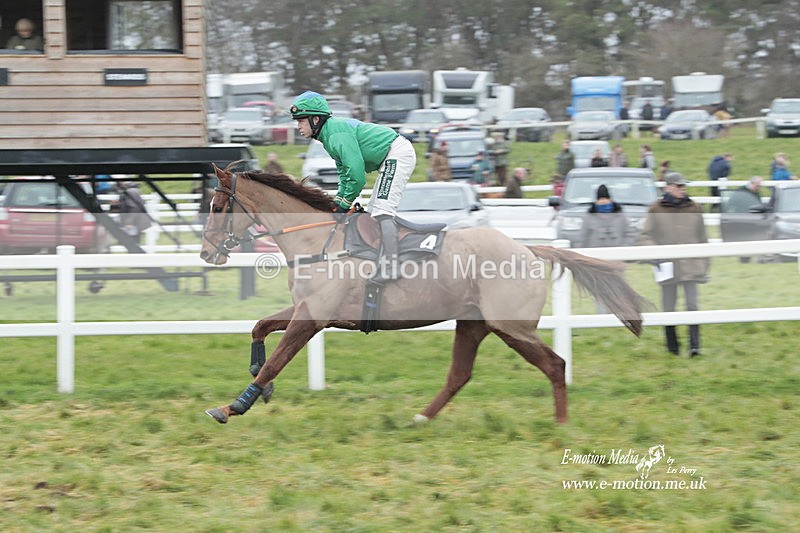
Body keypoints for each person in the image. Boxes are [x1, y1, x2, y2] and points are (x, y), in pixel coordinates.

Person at [290, 90, 416, 281]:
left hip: (397, 153)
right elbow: (345, 173)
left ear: (316, 119)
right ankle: (380, 259)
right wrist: (338, 202)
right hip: (389, 155)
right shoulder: (328, 135)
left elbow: (356, 176)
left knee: (382, 210)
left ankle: (392, 266)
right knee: (374, 211)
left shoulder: (336, 134)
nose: (297, 126)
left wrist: (344, 203)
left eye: (301, 120)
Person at [638, 172, 709, 357]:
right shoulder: (656, 209)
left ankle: (695, 347)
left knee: (692, 306)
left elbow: (702, 237)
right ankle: (672, 348)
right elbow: (646, 235)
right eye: (678, 186)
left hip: (691, 266)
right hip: (667, 266)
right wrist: (657, 253)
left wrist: (704, 264)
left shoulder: (694, 208)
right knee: (668, 308)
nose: (682, 189)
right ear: (668, 187)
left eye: (683, 186)